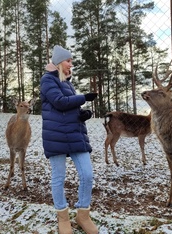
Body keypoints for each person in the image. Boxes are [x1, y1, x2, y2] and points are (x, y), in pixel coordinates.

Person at [40, 45, 98, 234]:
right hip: (55, 135)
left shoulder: (68, 83)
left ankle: (83, 215)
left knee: (87, 174)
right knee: (58, 177)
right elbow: (59, 102)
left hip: (74, 134)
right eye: (68, 61)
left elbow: (68, 107)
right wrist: (84, 98)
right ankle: (62, 217)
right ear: (58, 63)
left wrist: (82, 114)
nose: (71, 65)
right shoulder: (47, 80)